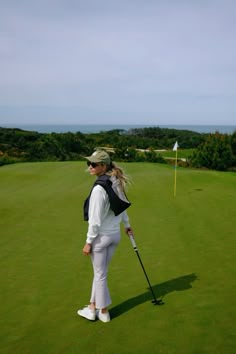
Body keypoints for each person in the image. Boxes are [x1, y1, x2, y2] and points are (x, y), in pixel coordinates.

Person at [77, 149, 133, 323]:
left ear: (103, 165)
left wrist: (88, 242)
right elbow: (122, 206)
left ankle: (103, 312)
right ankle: (92, 307)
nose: (90, 167)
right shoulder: (115, 180)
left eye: (94, 164)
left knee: (100, 275)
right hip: (114, 236)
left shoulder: (98, 189)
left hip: (101, 239)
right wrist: (127, 225)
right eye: (89, 163)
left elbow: (94, 221)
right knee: (100, 273)